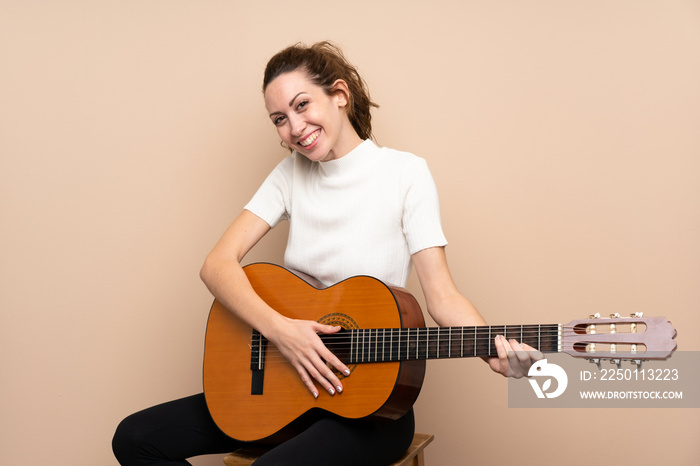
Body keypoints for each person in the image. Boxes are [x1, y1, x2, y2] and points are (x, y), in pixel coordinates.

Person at [112, 41, 542, 466]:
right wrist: (282, 332)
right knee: (134, 438)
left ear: (339, 94)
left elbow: (443, 298)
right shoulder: (289, 175)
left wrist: (493, 352)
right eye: (280, 119)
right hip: (283, 387)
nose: (294, 127)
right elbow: (216, 265)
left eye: (302, 105)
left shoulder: (405, 174)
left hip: (369, 409)